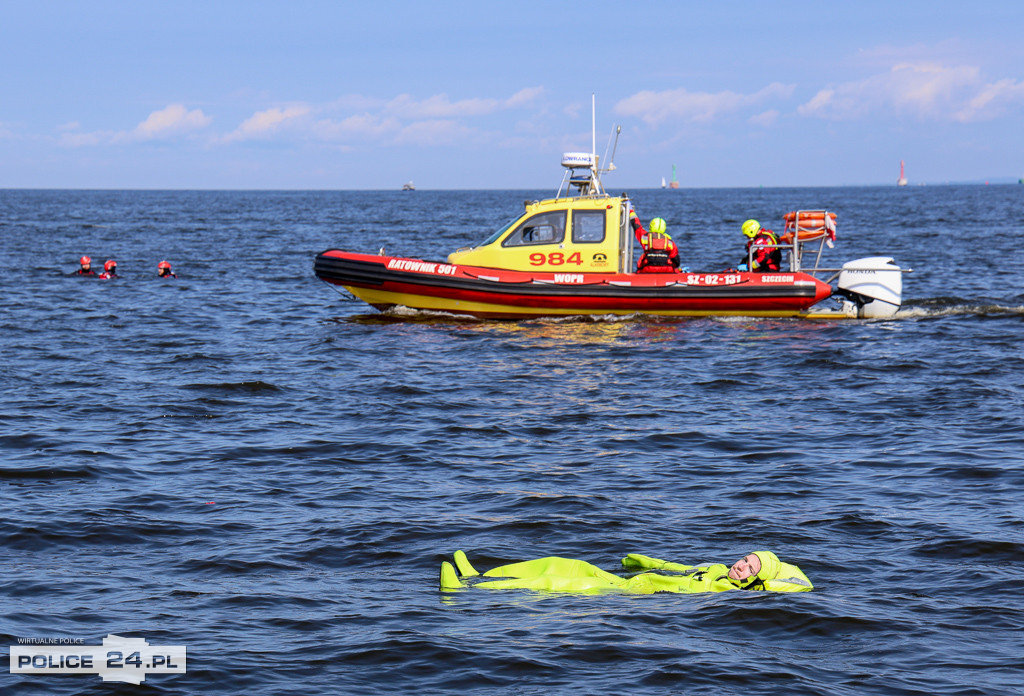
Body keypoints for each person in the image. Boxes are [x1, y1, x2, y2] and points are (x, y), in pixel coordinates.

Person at [440, 549, 812, 594]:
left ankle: (467, 590)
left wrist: (767, 575)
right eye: (744, 558)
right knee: (566, 563)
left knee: (559, 583)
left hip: (629, 597)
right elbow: (678, 566)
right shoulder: (714, 569)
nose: (739, 564)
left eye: (748, 566)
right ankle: (479, 574)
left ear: (755, 579)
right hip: (628, 580)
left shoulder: (729, 594)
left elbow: (800, 585)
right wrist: (646, 561)